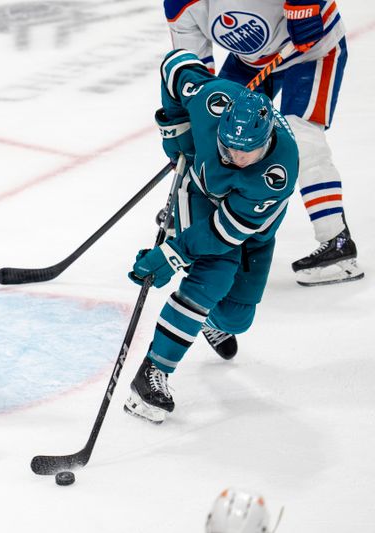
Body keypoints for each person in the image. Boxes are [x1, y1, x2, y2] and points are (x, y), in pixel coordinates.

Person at [123, 49, 298, 424]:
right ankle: (152, 375)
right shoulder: (213, 99)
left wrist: (172, 252)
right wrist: (176, 132)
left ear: (265, 144)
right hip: (200, 192)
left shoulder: (277, 174)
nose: (233, 156)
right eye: (227, 146)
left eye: (244, 153)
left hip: (248, 225)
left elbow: (224, 233)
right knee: (214, 273)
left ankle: (198, 316)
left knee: (236, 319)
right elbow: (175, 65)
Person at [163, 0, 363, 287]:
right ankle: (195, 214)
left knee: (301, 136)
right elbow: (196, 78)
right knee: (217, 129)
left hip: (313, 49)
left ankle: (337, 242)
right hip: (250, 61)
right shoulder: (181, 6)